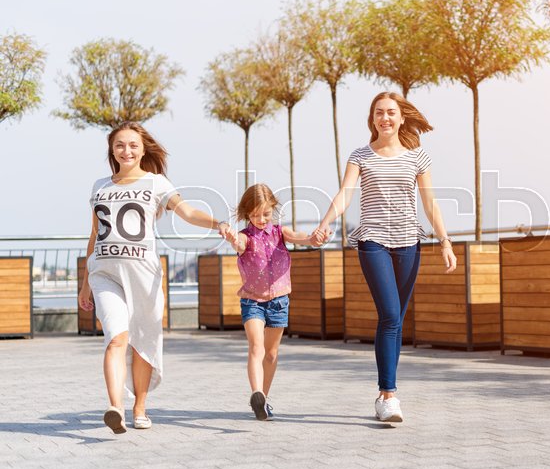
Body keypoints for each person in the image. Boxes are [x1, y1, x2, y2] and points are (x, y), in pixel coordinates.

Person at [78, 122, 232, 434]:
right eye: (120, 145)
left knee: (144, 341)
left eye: (133, 145)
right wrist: (85, 281)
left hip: (143, 274)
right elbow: (95, 234)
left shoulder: (156, 183)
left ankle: (140, 407)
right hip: (105, 273)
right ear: (112, 150)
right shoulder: (99, 186)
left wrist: (219, 224)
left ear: (143, 149)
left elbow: (186, 212)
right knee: (116, 338)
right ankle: (115, 408)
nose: (126, 151)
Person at [312, 92, 457, 423]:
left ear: (401, 117)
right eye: (379, 113)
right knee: (390, 314)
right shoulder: (361, 155)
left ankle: (384, 395)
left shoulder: (418, 157)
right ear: (372, 118)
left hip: (409, 243)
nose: (385, 118)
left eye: (391, 112)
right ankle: (388, 395)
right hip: (373, 241)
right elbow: (346, 193)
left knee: (396, 320)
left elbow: (430, 203)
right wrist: (325, 223)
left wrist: (445, 242)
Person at [223, 183, 315, 421]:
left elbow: (300, 237)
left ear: (273, 209)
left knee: (271, 354)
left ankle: (263, 400)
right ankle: (256, 392)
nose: (261, 219)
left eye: (265, 213)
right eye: (254, 214)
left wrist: (314, 238)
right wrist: (234, 240)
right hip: (252, 301)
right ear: (246, 214)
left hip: (279, 301)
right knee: (257, 347)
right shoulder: (246, 237)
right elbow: (239, 245)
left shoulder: (280, 233)